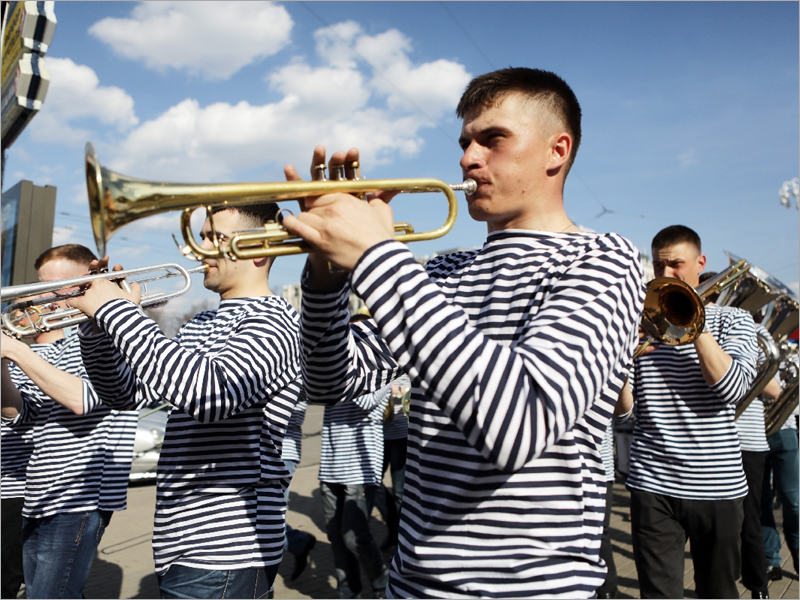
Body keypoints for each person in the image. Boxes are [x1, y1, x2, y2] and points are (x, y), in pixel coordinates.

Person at [281, 67, 645, 597]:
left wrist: (378, 258)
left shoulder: (603, 259)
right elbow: (327, 384)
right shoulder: (442, 271)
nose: (469, 158)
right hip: (413, 585)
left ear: (556, 151)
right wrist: (325, 277)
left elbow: (518, 423)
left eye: (493, 139)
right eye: (466, 142)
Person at [71, 204, 308, 599]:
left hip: (227, 549)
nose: (198, 250)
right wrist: (96, 330)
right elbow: (125, 394)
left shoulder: (275, 321)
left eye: (215, 238)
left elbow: (209, 395)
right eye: (201, 237)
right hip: (180, 542)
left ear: (260, 249)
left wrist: (115, 311)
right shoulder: (201, 323)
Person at [620, 225, 759, 599]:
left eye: (676, 265)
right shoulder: (641, 327)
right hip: (652, 483)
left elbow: (731, 389)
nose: (666, 276)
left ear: (700, 263)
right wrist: (618, 361)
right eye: (659, 267)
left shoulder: (734, 321)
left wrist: (692, 323)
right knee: (659, 594)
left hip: (717, 486)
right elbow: (623, 418)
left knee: (718, 591)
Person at [0, 244, 139, 599]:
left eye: (55, 287)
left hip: (79, 496)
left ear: (89, 283)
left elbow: (82, 400)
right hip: (41, 492)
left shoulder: (103, 338)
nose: (39, 297)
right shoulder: (53, 349)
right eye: (39, 285)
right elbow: (21, 417)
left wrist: (16, 350)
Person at [318, 314, 392, 599]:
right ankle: (349, 593)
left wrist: (337, 368)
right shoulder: (334, 370)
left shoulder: (384, 370)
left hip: (360, 469)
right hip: (329, 464)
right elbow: (315, 391)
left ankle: (381, 583)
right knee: (337, 537)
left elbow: (365, 401)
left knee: (355, 537)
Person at [281, 398, 317, 581]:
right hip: (261, 448)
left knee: (267, 521)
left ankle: (298, 542)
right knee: (263, 519)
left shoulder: (293, 370)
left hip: (282, 450)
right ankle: (298, 542)